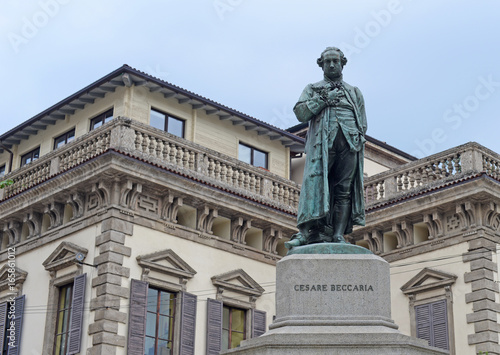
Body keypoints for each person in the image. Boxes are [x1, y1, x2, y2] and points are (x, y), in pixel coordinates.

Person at [286, 47, 367, 248]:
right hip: (322, 145)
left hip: (349, 143)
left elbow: (362, 123)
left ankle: (339, 234)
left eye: (335, 61)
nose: (331, 65)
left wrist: (356, 137)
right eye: (327, 61)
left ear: (342, 63)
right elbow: (301, 113)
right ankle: (306, 231)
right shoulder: (313, 88)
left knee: (344, 190)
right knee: (315, 184)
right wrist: (323, 100)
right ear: (321, 64)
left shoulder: (354, 92)